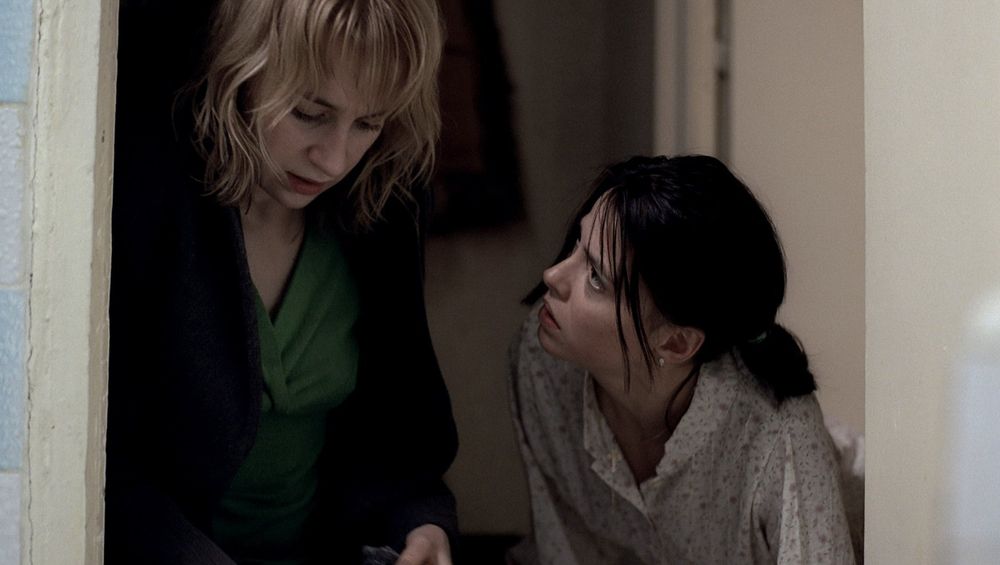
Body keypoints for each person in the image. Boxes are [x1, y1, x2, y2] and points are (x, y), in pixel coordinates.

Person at [107, 1, 458, 563]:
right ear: (243, 71)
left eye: (368, 123)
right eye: (308, 113)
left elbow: (396, 427)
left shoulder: (383, 205)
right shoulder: (150, 192)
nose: (334, 160)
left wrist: (420, 524)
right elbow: (108, 463)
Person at [507, 155, 858, 564]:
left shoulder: (778, 428)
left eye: (596, 277)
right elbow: (564, 545)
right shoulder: (542, 362)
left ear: (676, 343)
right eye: (576, 246)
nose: (553, 275)